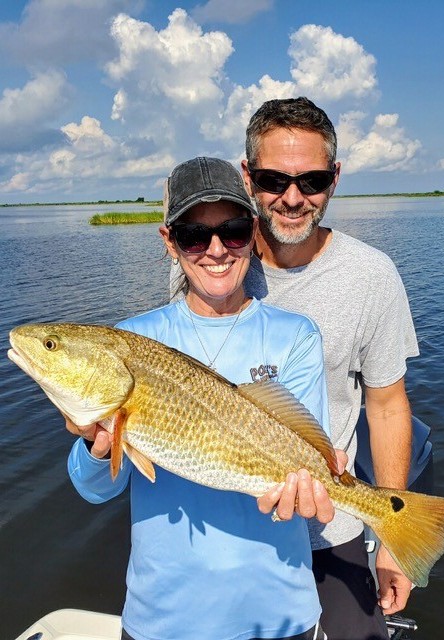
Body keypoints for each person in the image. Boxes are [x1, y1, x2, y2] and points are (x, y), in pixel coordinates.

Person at [66, 156, 341, 640]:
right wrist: (97, 445)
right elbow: (95, 490)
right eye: (194, 235)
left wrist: (309, 489)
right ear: (170, 242)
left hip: (279, 612)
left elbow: (306, 463)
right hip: (163, 618)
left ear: (254, 231)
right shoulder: (132, 339)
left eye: (233, 230)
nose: (215, 250)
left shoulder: (295, 336)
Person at [240, 97, 419, 640]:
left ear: (334, 178)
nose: (293, 198)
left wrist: (392, 537)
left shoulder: (371, 275)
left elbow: (386, 406)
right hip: (233, 524)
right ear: (248, 177)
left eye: (312, 180)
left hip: (332, 521)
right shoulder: (211, 261)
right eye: (274, 178)